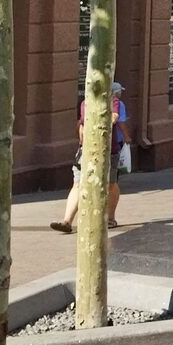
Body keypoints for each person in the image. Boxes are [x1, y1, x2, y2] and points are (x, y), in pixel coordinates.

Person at [52, 81, 131, 233]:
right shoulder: (85, 103)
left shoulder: (113, 101)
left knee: (110, 183)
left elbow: (115, 117)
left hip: (109, 150)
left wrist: (100, 122)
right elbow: (81, 124)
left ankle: (110, 218)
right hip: (86, 150)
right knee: (78, 183)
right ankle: (67, 221)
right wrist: (82, 141)